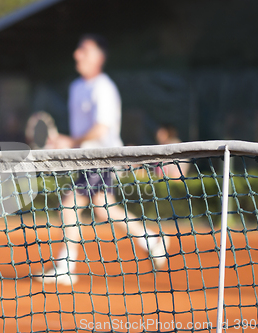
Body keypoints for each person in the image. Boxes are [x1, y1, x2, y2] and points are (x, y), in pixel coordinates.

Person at [40, 34, 168, 286]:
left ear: (99, 57)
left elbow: (101, 128)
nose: (77, 55)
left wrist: (71, 141)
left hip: (103, 157)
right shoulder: (77, 87)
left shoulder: (104, 88)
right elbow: (82, 133)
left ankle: (66, 267)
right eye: (77, 50)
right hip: (86, 159)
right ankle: (151, 239)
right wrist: (68, 143)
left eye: (84, 50)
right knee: (103, 208)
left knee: (69, 205)